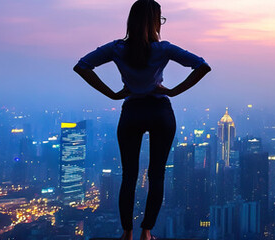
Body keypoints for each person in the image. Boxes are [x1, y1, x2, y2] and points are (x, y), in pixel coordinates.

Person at [73, 0, 211, 239]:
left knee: (129, 175)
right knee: (157, 174)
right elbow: (202, 66)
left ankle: (127, 232)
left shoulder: (116, 48)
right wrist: (173, 91)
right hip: (160, 112)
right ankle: (146, 232)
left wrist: (113, 94)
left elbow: (82, 66)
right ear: (155, 22)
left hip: (132, 112)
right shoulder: (164, 49)